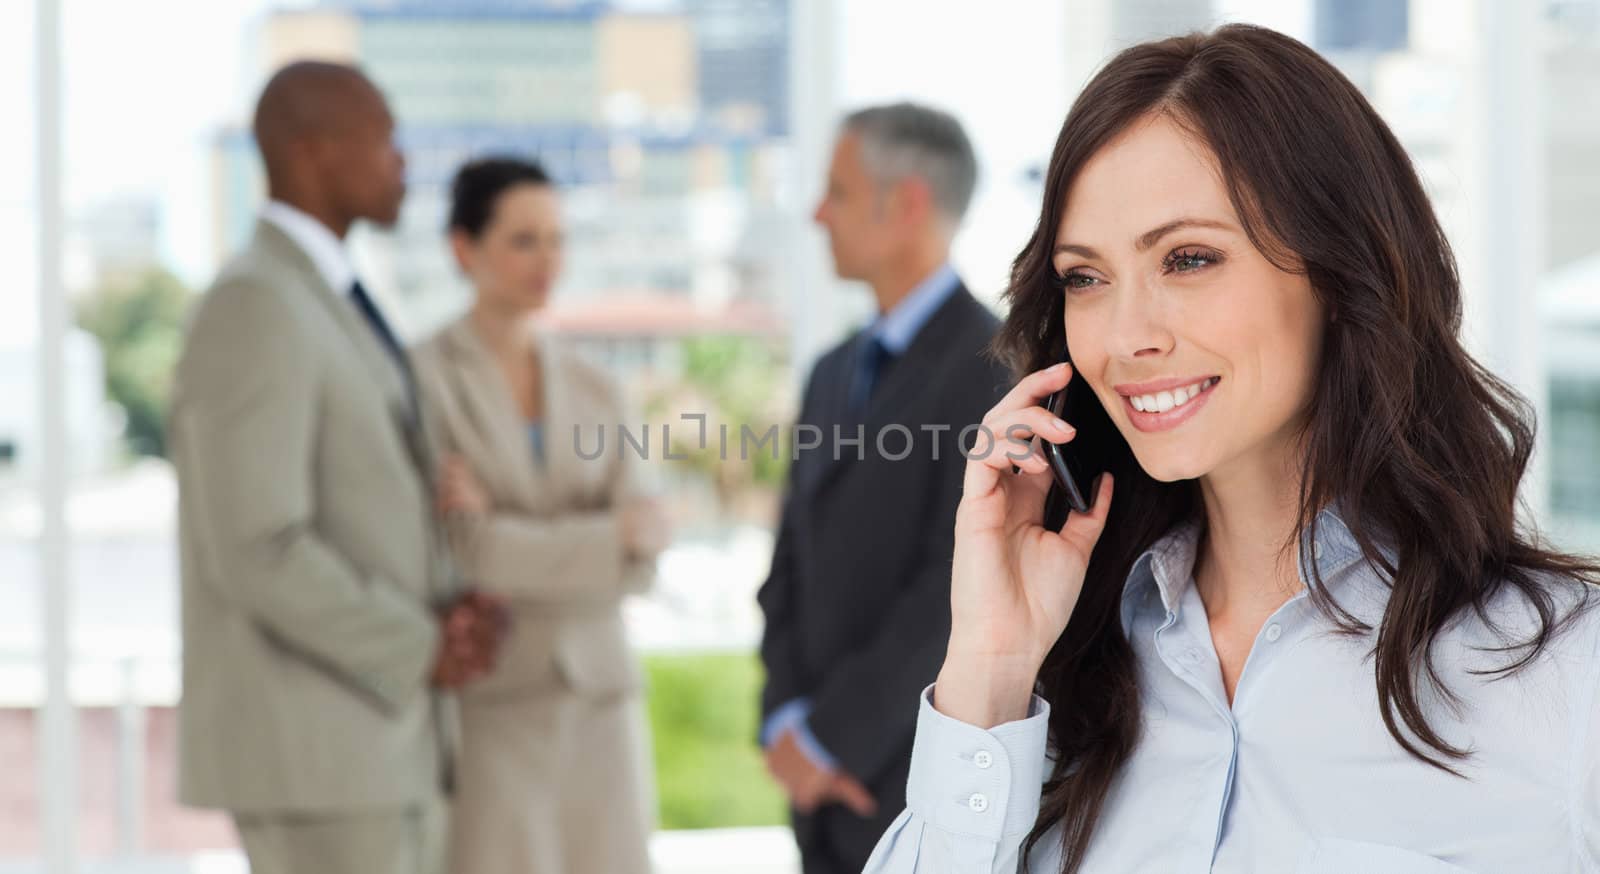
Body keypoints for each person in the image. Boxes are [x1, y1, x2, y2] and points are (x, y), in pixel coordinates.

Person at [862, 24, 1600, 873]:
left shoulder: (1567, 679)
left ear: (1339, 271)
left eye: (1188, 259)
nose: (1127, 337)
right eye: (1085, 277)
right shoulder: (1057, 686)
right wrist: (991, 666)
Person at [169, 61, 505, 874]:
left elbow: (367, 500)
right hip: (319, 758)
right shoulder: (256, 304)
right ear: (313, 149)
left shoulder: (327, 293)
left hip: (371, 751)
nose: (402, 164)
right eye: (385, 139)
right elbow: (257, 546)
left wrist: (449, 608)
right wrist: (418, 643)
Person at [757, 102, 1012, 873]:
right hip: (818, 791)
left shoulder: (996, 369)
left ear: (905, 204)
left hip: (909, 785)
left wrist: (835, 738)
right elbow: (788, 563)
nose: (816, 214)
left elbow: (955, 584)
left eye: (835, 191)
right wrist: (785, 725)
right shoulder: (833, 370)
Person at [411, 156, 669, 874]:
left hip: (602, 703)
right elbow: (461, 552)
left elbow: (642, 561)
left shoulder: (596, 383)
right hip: (492, 703)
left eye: (557, 239)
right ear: (464, 248)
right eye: (524, 240)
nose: (548, 260)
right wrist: (606, 534)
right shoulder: (420, 379)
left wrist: (511, 537)